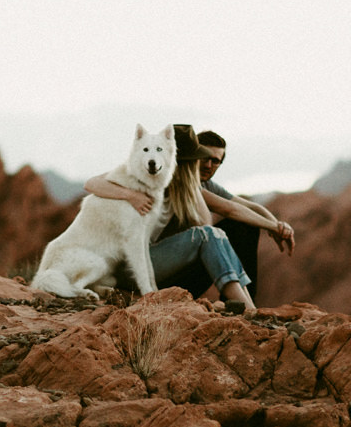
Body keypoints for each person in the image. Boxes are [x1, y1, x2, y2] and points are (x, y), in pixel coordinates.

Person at [83, 125, 279, 312]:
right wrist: (132, 196)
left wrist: (276, 225)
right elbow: (92, 183)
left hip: (153, 262)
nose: (204, 163)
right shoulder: (148, 176)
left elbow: (223, 213)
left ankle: (246, 306)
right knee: (208, 235)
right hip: (128, 267)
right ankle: (246, 309)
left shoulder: (185, 186)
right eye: (198, 158)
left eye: (214, 160)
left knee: (217, 233)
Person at [190, 130, 295, 301]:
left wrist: (279, 226)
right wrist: (273, 227)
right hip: (171, 274)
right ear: (193, 155)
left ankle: (240, 304)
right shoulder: (183, 182)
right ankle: (242, 304)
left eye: (215, 161)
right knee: (237, 226)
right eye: (204, 157)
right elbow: (229, 210)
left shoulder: (207, 184)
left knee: (246, 226)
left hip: (191, 267)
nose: (208, 165)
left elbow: (250, 206)